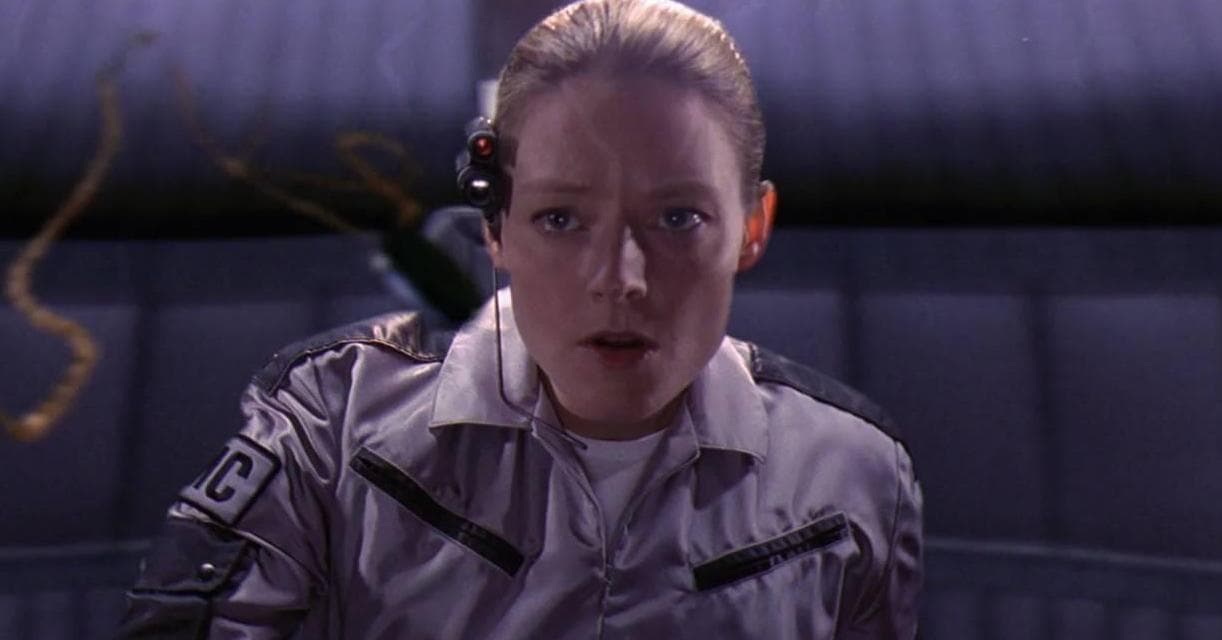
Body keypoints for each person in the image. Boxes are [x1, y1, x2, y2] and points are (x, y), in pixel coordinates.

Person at [118, 0, 922, 637]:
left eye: (678, 219)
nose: (620, 280)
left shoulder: (852, 474)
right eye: (561, 220)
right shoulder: (330, 426)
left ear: (751, 227)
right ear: (495, 228)